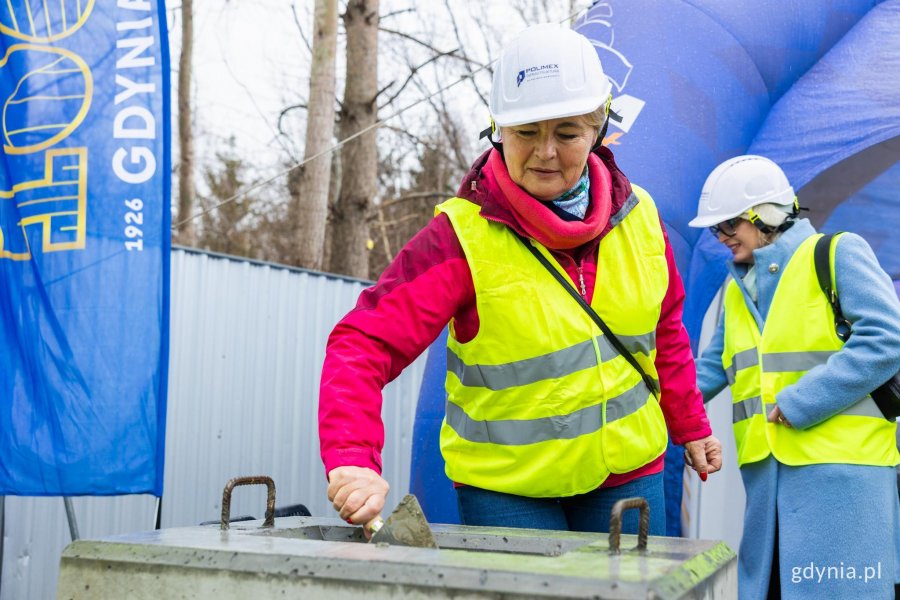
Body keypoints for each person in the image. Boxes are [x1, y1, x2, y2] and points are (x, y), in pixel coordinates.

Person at [319, 23, 721, 538]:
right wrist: (352, 457)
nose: (545, 152)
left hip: (627, 480)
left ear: (599, 129)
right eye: (526, 132)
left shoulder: (641, 218)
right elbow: (362, 342)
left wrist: (690, 428)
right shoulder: (459, 238)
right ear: (497, 130)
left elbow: (664, 336)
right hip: (507, 495)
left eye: (567, 133)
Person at [690, 155, 900, 599]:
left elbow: (888, 339)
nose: (721, 238)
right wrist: (660, 410)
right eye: (716, 230)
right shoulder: (736, 288)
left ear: (766, 217)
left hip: (842, 484)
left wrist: (802, 400)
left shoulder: (837, 252)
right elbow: (707, 371)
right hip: (767, 489)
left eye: (729, 226)